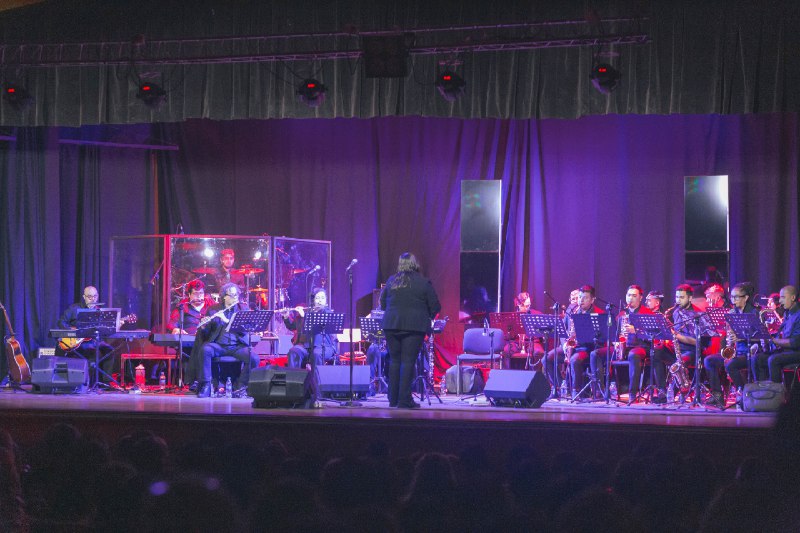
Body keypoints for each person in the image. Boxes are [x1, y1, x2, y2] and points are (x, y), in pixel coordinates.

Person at [380, 252, 441, 409]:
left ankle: (393, 399)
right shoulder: (423, 282)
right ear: (415, 264)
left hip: (391, 324)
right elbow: (435, 306)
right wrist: (425, 317)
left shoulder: (391, 281)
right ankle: (404, 401)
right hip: (414, 326)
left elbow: (382, 303)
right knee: (408, 362)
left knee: (394, 361)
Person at [192, 283, 259, 398]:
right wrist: (204, 328)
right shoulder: (213, 309)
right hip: (219, 346)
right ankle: (207, 385)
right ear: (224, 296)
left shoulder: (243, 309)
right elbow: (207, 334)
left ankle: (240, 386)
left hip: (237, 346)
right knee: (205, 350)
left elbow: (245, 330)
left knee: (254, 358)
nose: (235, 298)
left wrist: (226, 320)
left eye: (236, 295)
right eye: (232, 295)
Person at [589, 285, 652, 401]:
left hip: (640, 346)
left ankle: (633, 394)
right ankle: (600, 391)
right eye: (628, 295)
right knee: (594, 354)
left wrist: (636, 331)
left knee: (634, 354)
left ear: (640, 298)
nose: (630, 298)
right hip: (623, 347)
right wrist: (615, 342)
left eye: (634, 296)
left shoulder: (647, 313)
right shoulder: (621, 314)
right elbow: (614, 333)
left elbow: (652, 335)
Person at [544, 285, 604, 398]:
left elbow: (600, 338)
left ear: (592, 300)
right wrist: (565, 345)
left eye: (585, 298)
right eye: (580, 297)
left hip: (586, 347)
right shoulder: (572, 310)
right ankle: (560, 386)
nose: (581, 300)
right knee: (546, 358)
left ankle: (576, 391)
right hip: (571, 346)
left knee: (574, 360)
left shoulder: (598, 313)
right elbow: (563, 331)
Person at [705, 282, 758, 408]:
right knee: (709, 361)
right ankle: (718, 395)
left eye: (736, 297)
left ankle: (744, 393)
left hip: (750, 353)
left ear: (745, 298)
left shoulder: (754, 313)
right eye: (732, 297)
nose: (733, 300)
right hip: (737, 352)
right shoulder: (733, 312)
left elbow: (761, 337)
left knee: (731, 364)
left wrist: (740, 337)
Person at [657, 283, 709, 403]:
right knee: (656, 353)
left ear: (690, 298)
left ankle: (676, 392)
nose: (678, 300)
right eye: (677, 297)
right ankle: (662, 390)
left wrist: (676, 335)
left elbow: (698, 342)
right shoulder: (675, 312)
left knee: (679, 363)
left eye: (682, 297)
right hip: (676, 349)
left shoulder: (698, 315)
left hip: (691, 351)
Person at [56, 285, 116, 383]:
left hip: (94, 340)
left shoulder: (99, 311)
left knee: (110, 351)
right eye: (89, 297)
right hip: (79, 342)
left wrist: (116, 324)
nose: (93, 299)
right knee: (91, 354)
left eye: (95, 296)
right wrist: (74, 331)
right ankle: (86, 383)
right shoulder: (74, 308)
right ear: (84, 297)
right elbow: (61, 322)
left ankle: (106, 382)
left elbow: (105, 328)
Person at [167, 279, 214, 386]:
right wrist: (176, 329)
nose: (199, 297)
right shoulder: (183, 307)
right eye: (195, 294)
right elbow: (171, 324)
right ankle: (192, 382)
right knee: (189, 352)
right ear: (189, 294)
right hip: (189, 343)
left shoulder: (211, 305)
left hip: (208, 341)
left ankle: (210, 382)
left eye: (201, 293)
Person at [281, 287, 338, 369]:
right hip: (306, 346)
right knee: (294, 351)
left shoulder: (328, 313)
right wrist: (286, 317)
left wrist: (305, 316)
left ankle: (316, 379)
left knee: (317, 353)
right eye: (317, 298)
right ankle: (294, 379)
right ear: (313, 300)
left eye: (322, 298)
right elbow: (292, 326)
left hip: (324, 346)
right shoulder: (307, 312)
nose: (320, 300)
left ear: (326, 300)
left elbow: (318, 326)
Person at [760, 286, 800, 384]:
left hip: (796, 352)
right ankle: (761, 393)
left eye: (783, 297)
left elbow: (795, 343)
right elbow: (783, 335)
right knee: (757, 359)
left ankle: (776, 395)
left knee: (773, 360)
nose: (780, 301)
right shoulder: (788, 313)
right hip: (787, 351)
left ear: (793, 297)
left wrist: (774, 340)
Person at [501, 291, 545, 369]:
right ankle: (508, 374)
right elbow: (507, 336)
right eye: (526, 305)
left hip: (532, 342)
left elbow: (543, 332)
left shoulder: (537, 314)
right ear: (519, 305)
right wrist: (509, 333)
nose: (528, 308)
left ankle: (535, 376)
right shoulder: (512, 317)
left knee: (539, 352)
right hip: (516, 342)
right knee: (506, 350)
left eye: (529, 305)